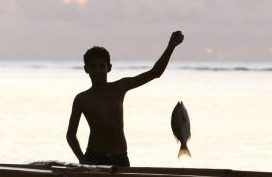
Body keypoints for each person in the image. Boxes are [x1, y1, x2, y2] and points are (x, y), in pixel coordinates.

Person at [66, 31, 184, 167]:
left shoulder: (120, 87)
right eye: (93, 67)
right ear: (86, 69)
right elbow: (71, 135)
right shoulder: (82, 99)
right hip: (94, 156)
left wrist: (171, 47)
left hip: (120, 157)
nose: (98, 70)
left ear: (108, 68)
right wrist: (82, 159)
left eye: (101, 66)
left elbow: (155, 73)